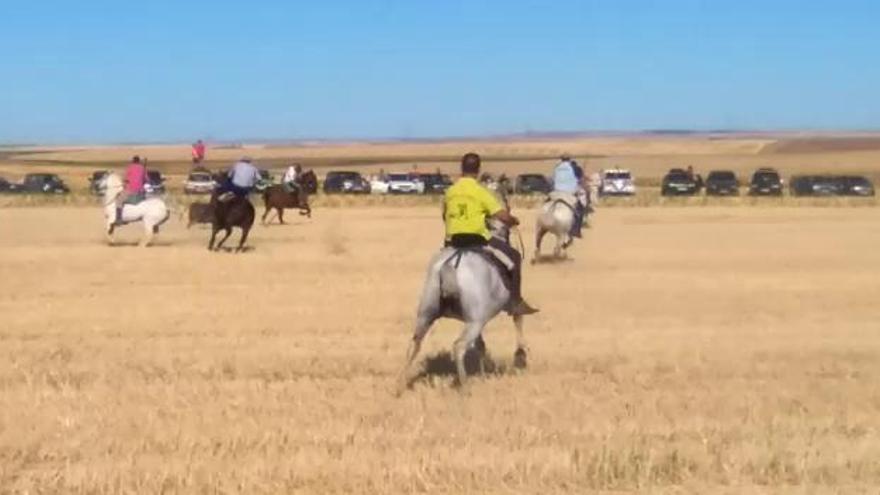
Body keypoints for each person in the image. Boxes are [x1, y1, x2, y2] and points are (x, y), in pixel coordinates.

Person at [444, 152, 538, 316]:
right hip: (477, 239)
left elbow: (444, 215)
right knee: (515, 257)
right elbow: (500, 215)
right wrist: (512, 220)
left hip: (452, 241)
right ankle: (515, 302)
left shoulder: (450, 191)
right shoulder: (480, 192)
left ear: (461, 168)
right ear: (478, 169)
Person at [552, 155, 587, 238]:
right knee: (580, 209)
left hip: (557, 191)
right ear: (569, 159)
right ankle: (576, 230)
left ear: (561, 159)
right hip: (570, 192)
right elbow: (579, 179)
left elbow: (554, 179)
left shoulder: (557, 168)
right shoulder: (574, 168)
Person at [115, 155, 147, 225]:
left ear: (133, 161)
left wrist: (125, 182)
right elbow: (146, 179)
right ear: (139, 161)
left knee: (119, 201)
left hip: (130, 190)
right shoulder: (142, 168)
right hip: (140, 191)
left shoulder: (130, 167)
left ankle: (118, 219)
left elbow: (125, 178)